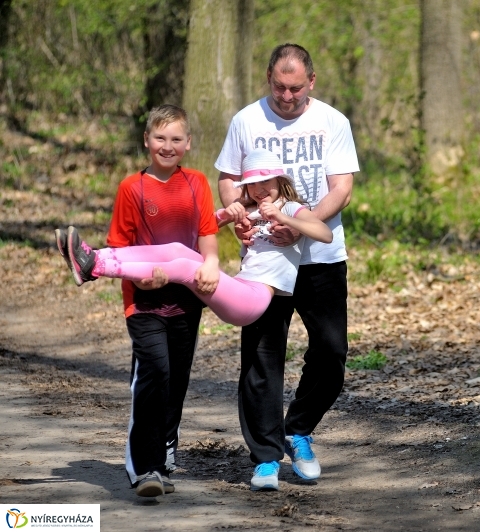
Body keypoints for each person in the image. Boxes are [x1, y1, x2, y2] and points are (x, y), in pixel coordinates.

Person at [55, 104, 220, 498]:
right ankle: (144, 467)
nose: (168, 146)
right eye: (160, 138)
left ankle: (164, 451)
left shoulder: (198, 182)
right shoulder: (132, 187)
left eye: (176, 139)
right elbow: (122, 250)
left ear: (188, 143)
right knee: (154, 373)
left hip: (188, 299)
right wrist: (143, 282)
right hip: (143, 301)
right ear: (146, 141)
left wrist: (212, 264)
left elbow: (208, 240)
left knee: (176, 380)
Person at [215, 43, 359, 491]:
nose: (287, 95)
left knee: (332, 352)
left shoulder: (332, 121)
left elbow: (342, 188)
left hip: (320, 259)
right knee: (261, 358)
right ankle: (264, 457)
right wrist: (238, 217)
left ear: (311, 82)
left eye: (296, 87)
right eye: (279, 86)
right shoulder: (246, 120)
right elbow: (227, 179)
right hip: (265, 262)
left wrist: (300, 224)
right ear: (269, 79)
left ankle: (298, 430)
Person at [57, 150, 333, 328]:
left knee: (189, 269)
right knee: (178, 249)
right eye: (253, 184)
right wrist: (225, 214)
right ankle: (94, 257)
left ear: (280, 182)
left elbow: (325, 233)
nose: (260, 190)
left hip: (254, 298)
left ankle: (94, 267)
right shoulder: (249, 209)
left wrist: (284, 218)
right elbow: (197, 231)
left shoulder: (291, 208)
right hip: (237, 287)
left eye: (267, 183)